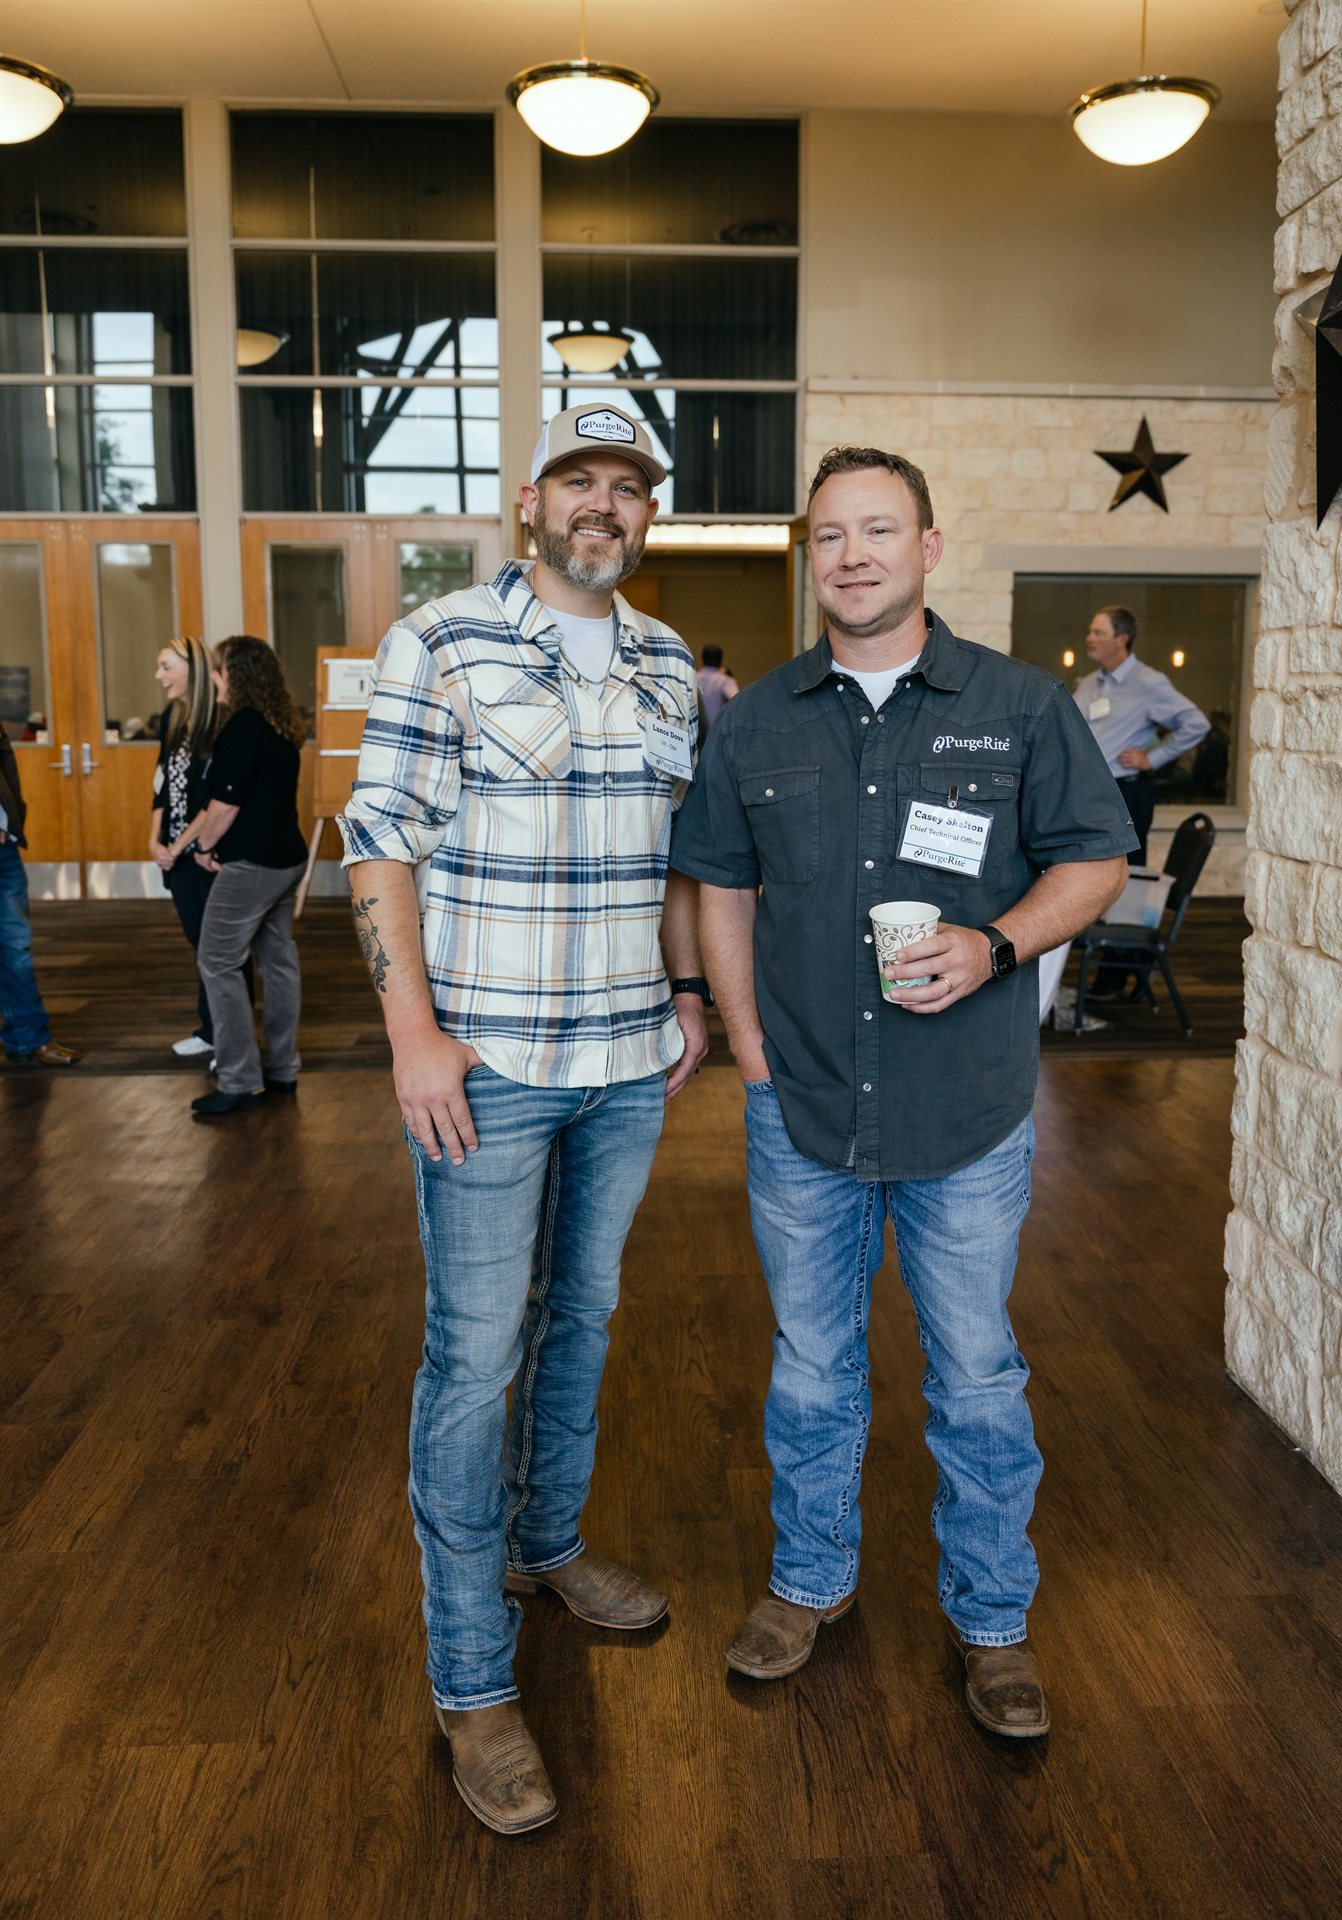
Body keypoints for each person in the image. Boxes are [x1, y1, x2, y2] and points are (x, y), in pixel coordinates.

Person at [670, 446, 1136, 1739]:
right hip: (802, 1107)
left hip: (964, 1110)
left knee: (976, 1379)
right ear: (807, 557)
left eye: (878, 530)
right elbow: (719, 888)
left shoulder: (1017, 705)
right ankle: (807, 1582)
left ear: (927, 548)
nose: (853, 555)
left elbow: (1094, 860)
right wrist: (750, 1049)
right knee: (810, 1372)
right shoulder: (757, 719)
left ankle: (992, 1620)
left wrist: (994, 945)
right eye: (829, 535)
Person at [340, 401, 708, 1836]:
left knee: (584, 1318)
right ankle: (472, 1681)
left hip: (628, 1062)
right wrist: (412, 1040)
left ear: (646, 512)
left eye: (628, 486)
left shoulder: (669, 661)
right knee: (473, 1355)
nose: (602, 505)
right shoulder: (438, 642)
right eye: (579, 481)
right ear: (530, 502)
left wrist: (686, 993)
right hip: (487, 1063)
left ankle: (545, 1545)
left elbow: (674, 856)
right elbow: (380, 846)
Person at [187, 637, 307, 1118]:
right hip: (287, 859)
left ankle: (239, 1079)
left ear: (234, 675)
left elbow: (225, 805)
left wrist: (203, 846)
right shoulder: (281, 725)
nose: (213, 679)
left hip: (253, 865)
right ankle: (282, 1069)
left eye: (218, 670)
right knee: (278, 962)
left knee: (217, 960)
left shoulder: (242, 726)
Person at [149, 635, 252, 1060]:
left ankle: (232, 1039)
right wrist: (154, 840)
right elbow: (161, 787)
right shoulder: (171, 719)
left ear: (192, 670)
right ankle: (212, 1030)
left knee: (222, 949)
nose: (159, 676)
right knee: (201, 945)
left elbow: (214, 800)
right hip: (175, 854)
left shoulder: (220, 723)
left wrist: (180, 844)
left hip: (208, 854)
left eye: (166, 667)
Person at [1073, 606, 1209, 864]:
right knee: (1088, 870)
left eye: (1098, 633)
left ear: (1121, 639)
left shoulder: (1148, 682)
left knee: (1127, 871)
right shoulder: (1089, 684)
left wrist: (1152, 759)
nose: (1089, 638)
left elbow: (1196, 724)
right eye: (1090, 632)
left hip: (1126, 793)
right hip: (1088, 793)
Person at [0, 720, 79, 1067]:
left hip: (4, 850)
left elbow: (8, 770)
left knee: (15, 947)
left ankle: (28, 1038)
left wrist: (13, 821)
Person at [695, 644, 739, 728]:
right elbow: (738, 702)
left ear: (702, 659)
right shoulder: (725, 681)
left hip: (696, 732)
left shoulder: (693, 678)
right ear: (721, 660)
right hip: (717, 730)